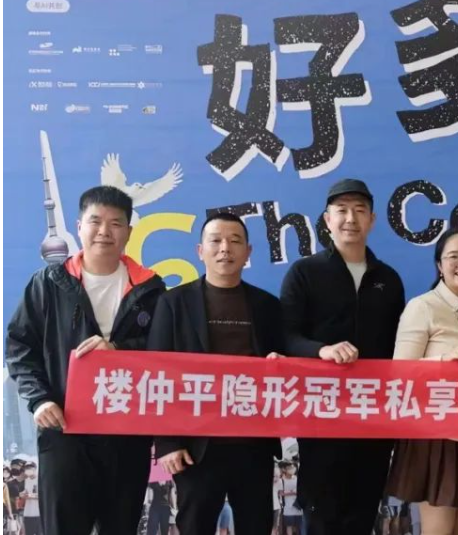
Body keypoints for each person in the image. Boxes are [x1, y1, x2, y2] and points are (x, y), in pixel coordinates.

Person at [5, 186, 166, 535]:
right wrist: (39, 399)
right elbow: (19, 347)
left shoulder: (151, 288)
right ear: (79, 227)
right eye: (95, 221)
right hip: (65, 431)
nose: (104, 231)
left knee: (120, 527)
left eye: (115, 223)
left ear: (129, 231)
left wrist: (119, 351)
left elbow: (164, 351)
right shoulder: (49, 283)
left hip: (126, 432)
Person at [280, 179, 405, 535]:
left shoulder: (388, 279)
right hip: (322, 412)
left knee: (363, 512)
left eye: (360, 210)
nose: (351, 218)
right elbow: (285, 335)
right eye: (342, 210)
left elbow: (401, 346)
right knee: (321, 513)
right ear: (327, 219)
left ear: (372, 220)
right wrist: (321, 350)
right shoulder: (305, 272)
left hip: (374, 414)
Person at [148, 212, 285, 535]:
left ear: (248, 252)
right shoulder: (173, 303)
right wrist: (166, 442)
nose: (225, 248)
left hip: (253, 443)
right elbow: (156, 373)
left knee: (257, 526)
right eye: (216, 241)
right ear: (200, 251)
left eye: (235, 241)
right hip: (196, 447)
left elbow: (283, 362)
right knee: (195, 526)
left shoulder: (267, 305)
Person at [385, 227, 458, 535]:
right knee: (439, 528)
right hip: (438, 434)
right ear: (439, 265)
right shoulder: (422, 306)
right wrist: (443, 362)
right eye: (453, 257)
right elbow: (399, 373)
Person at [279, 462, 301, 535]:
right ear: (285, 469)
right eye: (290, 468)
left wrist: (288, 492)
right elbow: (280, 493)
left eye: (293, 467)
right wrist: (293, 492)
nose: (292, 469)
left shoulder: (297, 478)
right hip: (287, 508)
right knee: (289, 526)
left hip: (298, 507)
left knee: (298, 527)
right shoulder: (282, 480)